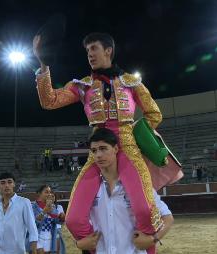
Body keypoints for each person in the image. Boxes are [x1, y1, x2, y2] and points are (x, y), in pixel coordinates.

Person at [33, 31, 182, 247]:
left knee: (144, 209)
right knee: (74, 219)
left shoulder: (132, 83)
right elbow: (49, 101)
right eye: (87, 51)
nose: (89, 55)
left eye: (94, 49)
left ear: (108, 51)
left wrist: (137, 133)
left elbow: (154, 114)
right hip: (98, 150)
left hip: (127, 147)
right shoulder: (82, 85)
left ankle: (148, 248)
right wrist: (43, 66)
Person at [73, 128, 174, 253]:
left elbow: (168, 217)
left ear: (115, 149)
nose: (98, 155)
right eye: (94, 150)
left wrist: (153, 239)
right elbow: (80, 221)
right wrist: (77, 243)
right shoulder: (89, 190)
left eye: (103, 148)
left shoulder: (138, 185)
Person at [0, 172, 38, 254]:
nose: (6, 185)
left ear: (14, 184)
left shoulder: (24, 202)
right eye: (3, 183)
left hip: (18, 251)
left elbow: (32, 228)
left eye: (9, 182)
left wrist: (34, 250)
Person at [32, 185, 65, 254]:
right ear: (39, 194)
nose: (49, 194)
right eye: (46, 192)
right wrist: (44, 211)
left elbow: (56, 221)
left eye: (50, 192)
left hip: (50, 236)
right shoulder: (33, 206)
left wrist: (61, 218)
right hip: (38, 236)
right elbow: (33, 223)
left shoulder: (52, 206)